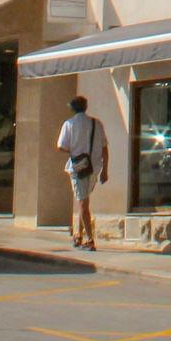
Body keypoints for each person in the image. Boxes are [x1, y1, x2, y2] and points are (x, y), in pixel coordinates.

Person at [56, 95, 109, 251]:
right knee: (84, 200)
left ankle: (90, 239)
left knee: (82, 203)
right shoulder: (96, 123)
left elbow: (61, 146)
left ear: (72, 108)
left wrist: (73, 150)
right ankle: (78, 235)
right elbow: (105, 148)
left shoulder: (69, 124)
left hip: (78, 167)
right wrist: (105, 170)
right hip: (94, 167)